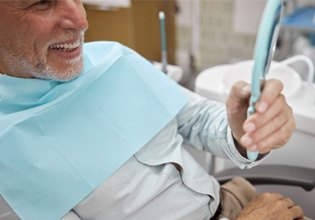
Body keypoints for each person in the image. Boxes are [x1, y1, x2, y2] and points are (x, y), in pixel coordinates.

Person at [0, 1, 305, 220]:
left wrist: (243, 130)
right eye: (42, 3)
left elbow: (197, 120)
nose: (81, 21)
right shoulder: (7, 160)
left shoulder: (114, 58)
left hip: (232, 201)